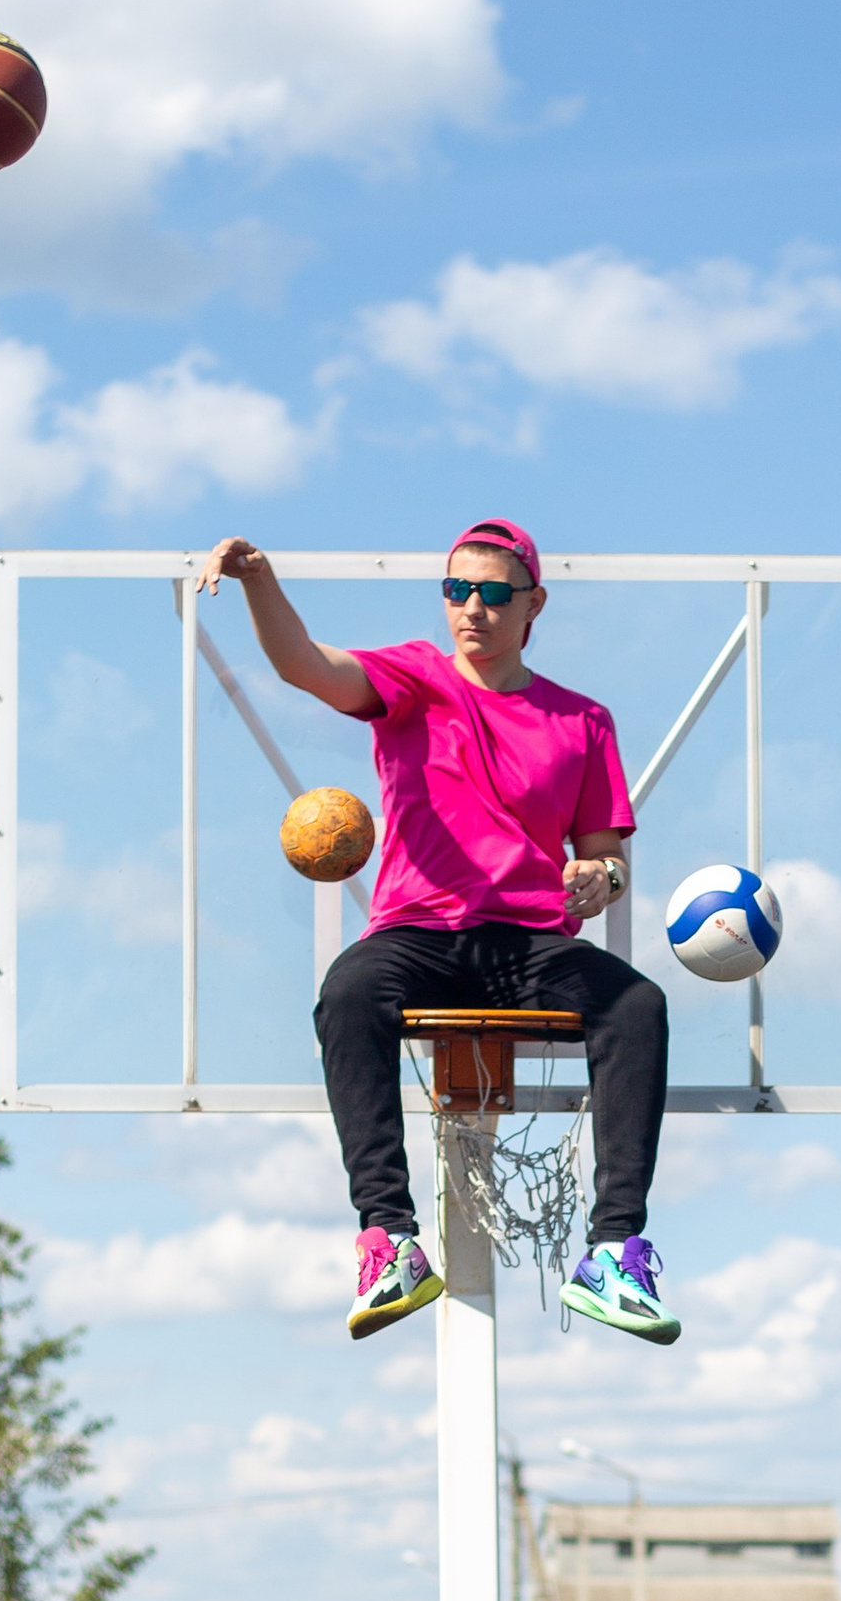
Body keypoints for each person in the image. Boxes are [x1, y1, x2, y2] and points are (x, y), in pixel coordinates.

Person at [198, 518, 679, 1347]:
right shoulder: (413, 681)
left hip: (528, 941)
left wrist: (602, 879)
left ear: (534, 604)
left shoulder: (582, 720)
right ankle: (389, 1239)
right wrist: (258, 579)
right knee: (349, 992)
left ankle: (613, 1253)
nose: (473, 609)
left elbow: (604, 853)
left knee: (637, 1006)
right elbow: (305, 666)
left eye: (494, 593)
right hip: (420, 933)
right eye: (457, 590)